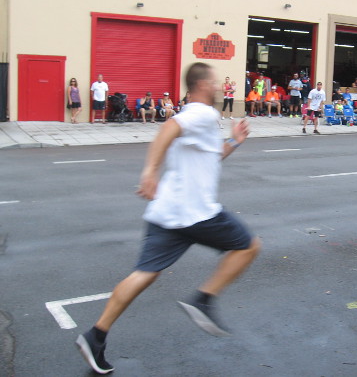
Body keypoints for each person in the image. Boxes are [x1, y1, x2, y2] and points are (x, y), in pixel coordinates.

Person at [75, 62, 261, 375]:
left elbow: (209, 155)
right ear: (201, 85)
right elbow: (167, 129)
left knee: (145, 273)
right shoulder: (203, 113)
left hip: (166, 211)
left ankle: (95, 336)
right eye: (215, 82)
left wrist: (234, 142)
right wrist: (149, 171)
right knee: (249, 247)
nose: (219, 87)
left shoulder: (196, 118)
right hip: (196, 212)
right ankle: (203, 300)